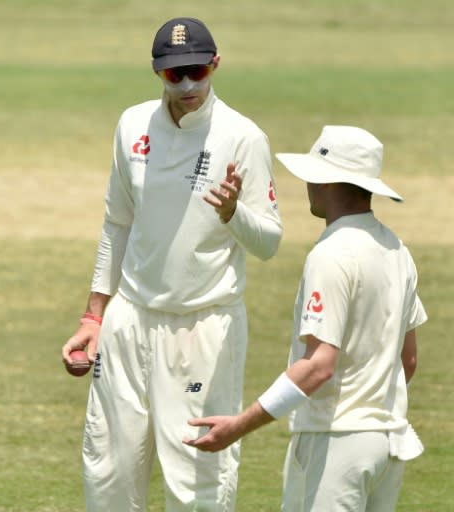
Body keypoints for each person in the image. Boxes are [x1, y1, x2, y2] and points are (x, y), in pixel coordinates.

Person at [62, 17, 283, 511]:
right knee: (109, 472)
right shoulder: (132, 125)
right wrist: (94, 315)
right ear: (157, 72)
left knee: (196, 481)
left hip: (203, 324)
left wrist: (233, 214)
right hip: (130, 317)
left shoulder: (243, 137)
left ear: (216, 65)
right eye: (172, 75)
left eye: (197, 72)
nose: (186, 85)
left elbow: (269, 242)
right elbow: (117, 223)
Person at [184, 125, 427, 511]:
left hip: (335, 444)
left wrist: (239, 426)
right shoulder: (397, 249)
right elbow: (407, 361)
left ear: (328, 183)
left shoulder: (330, 255)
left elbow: (318, 366)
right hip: (387, 445)